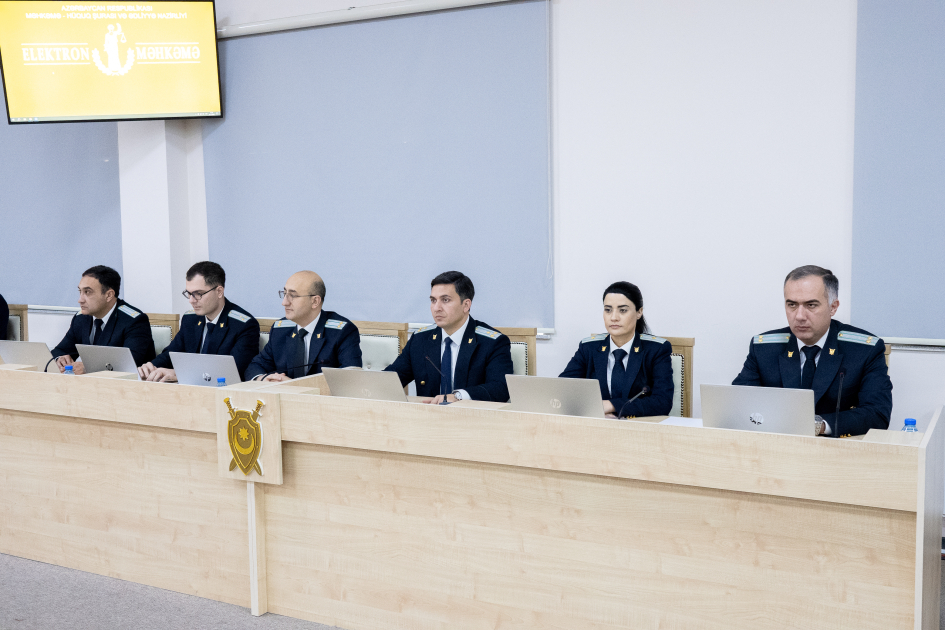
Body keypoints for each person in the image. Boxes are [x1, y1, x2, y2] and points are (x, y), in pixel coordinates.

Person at [733, 265, 892, 437]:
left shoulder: (864, 350)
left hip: (836, 448)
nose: (800, 316)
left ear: (833, 307)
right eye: (792, 305)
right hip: (775, 445)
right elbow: (737, 405)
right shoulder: (764, 348)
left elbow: (877, 414)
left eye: (811, 305)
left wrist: (818, 426)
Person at [385, 271, 514, 403]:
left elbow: (501, 388)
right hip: (427, 414)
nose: (436, 308)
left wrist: (458, 396)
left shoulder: (492, 342)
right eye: (433, 300)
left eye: (445, 300)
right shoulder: (420, 339)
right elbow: (391, 379)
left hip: (471, 414)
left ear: (466, 305)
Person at [559, 281, 674, 418]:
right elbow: (562, 390)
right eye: (608, 310)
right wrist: (596, 412)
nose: (613, 317)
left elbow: (662, 402)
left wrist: (611, 406)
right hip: (596, 425)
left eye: (623, 310)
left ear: (639, 312)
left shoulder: (657, 350)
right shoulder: (588, 348)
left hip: (638, 427)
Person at [138, 261, 260, 382]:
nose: (191, 300)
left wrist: (180, 374)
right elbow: (171, 353)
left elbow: (234, 372)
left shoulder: (244, 325)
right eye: (189, 293)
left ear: (219, 291)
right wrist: (151, 367)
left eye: (198, 294)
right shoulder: (190, 319)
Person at [245, 271, 361, 381]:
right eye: (284, 294)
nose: (284, 302)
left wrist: (295, 387)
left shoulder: (342, 332)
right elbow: (255, 366)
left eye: (293, 295)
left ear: (315, 301)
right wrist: (264, 379)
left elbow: (350, 379)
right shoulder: (280, 329)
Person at [51, 265, 155, 373]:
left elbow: (129, 364)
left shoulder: (134, 321)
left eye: (87, 292)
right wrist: (60, 359)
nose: (80, 300)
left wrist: (88, 368)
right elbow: (59, 350)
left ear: (109, 295)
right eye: (80, 291)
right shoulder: (81, 318)